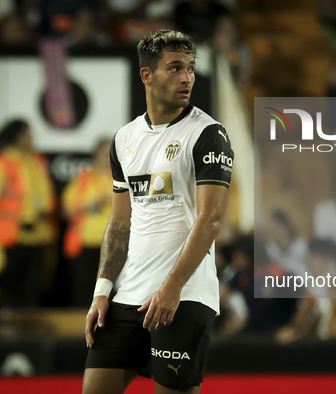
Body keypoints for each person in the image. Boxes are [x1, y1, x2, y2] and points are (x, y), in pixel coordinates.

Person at [82, 30, 234, 394]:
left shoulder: (209, 134)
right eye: (175, 68)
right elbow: (120, 223)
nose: (186, 78)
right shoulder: (124, 139)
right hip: (129, 297)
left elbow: (210, 219)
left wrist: (172, 288)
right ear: (146, 75)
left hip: (183, 297)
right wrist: (102, 291)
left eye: (191, 69)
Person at [0, 119, 56, 307]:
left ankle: (28, 331)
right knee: (7, 287)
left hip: (37, 235)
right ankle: (5, 331)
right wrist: (5, 219)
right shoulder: (1, 162)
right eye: (28, 134)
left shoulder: (37, 162)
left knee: (32, 288)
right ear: (18, 137)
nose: (32, 138)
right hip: (9, 236)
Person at [62, 139, 113, 307]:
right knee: (83, 289)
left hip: (114, 246)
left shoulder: (123, 179)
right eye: (103, 154)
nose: (107, 158)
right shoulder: (83, 179)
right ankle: (80, 329)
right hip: (84, 244)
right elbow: (67, 211)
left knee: (110, 291)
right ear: (95, 155)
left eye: (110, 153)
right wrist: (93, 202)